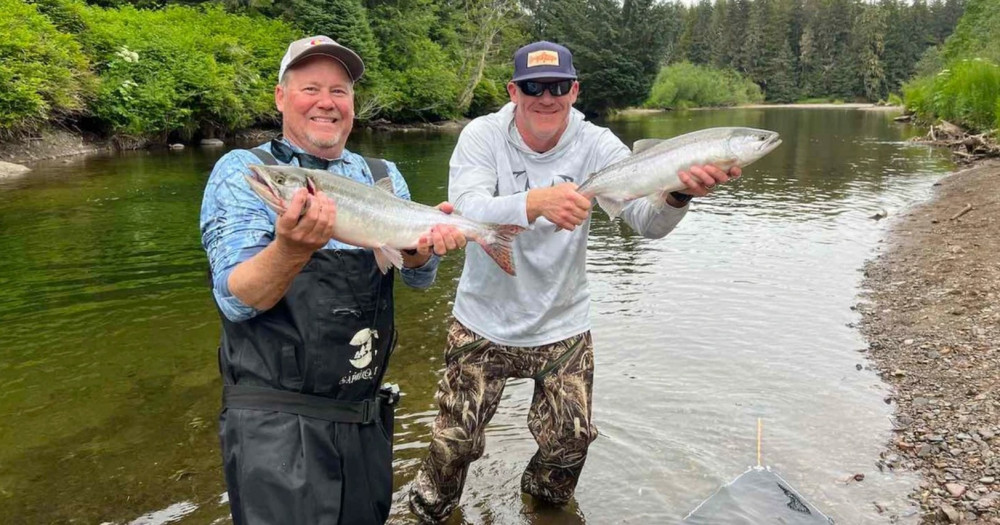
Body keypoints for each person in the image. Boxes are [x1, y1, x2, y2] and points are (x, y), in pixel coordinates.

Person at [408, 41, 741, 522]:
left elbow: (646, 223)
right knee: (454, 443)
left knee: (570, 442)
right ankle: (428, 513)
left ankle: (543, 510)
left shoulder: (597, 145)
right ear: (513, 91)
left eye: (558, 86)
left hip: (563, 324)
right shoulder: (482, 136)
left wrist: (677, 196)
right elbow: (466, 209)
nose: (546, 97)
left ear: (575, 90)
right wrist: (535, 202)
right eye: (534, 87)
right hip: (483, 321)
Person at [200, 35, 466, 525]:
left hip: (364, 418)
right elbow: (236, 299)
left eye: (339, 91)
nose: (326, 102)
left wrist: (420, 251)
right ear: (281, 97)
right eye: (311, 89)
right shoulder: (245, 172)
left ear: (352, 104)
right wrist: (291, 248)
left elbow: (418, 278)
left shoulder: (382, 174)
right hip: (275, 427)